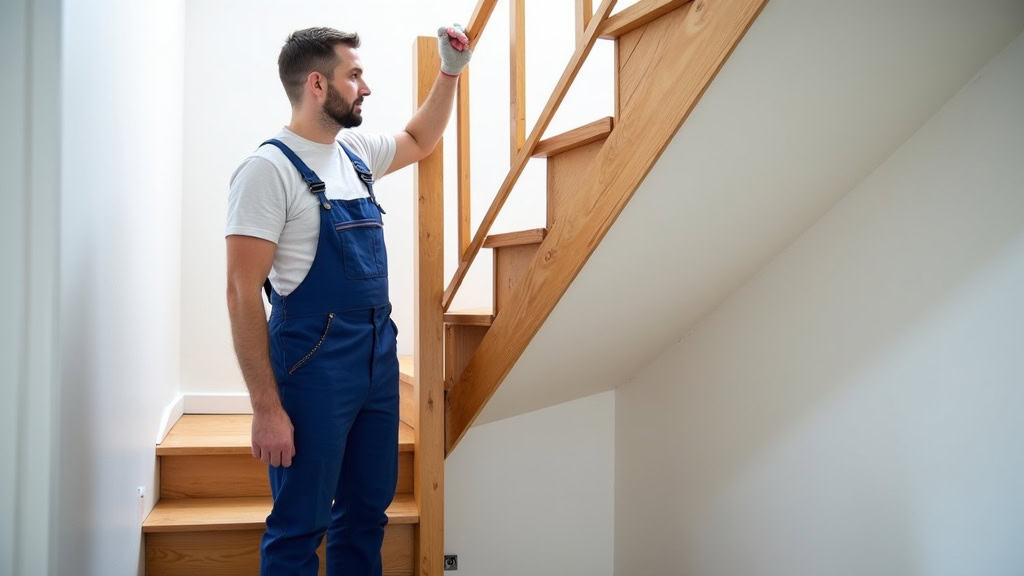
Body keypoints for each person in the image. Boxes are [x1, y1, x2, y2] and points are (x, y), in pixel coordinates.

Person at [225, 24, 471, 576]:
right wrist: (266, 409)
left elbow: (420, 140)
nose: (366, 87)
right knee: (300, 523)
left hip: (376, 358)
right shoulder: (267, 171)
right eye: (354, 75)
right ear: (317, 84)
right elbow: (241, 294)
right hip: (312, 363)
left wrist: (449, 72)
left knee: (366, 513)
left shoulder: (353, 152)